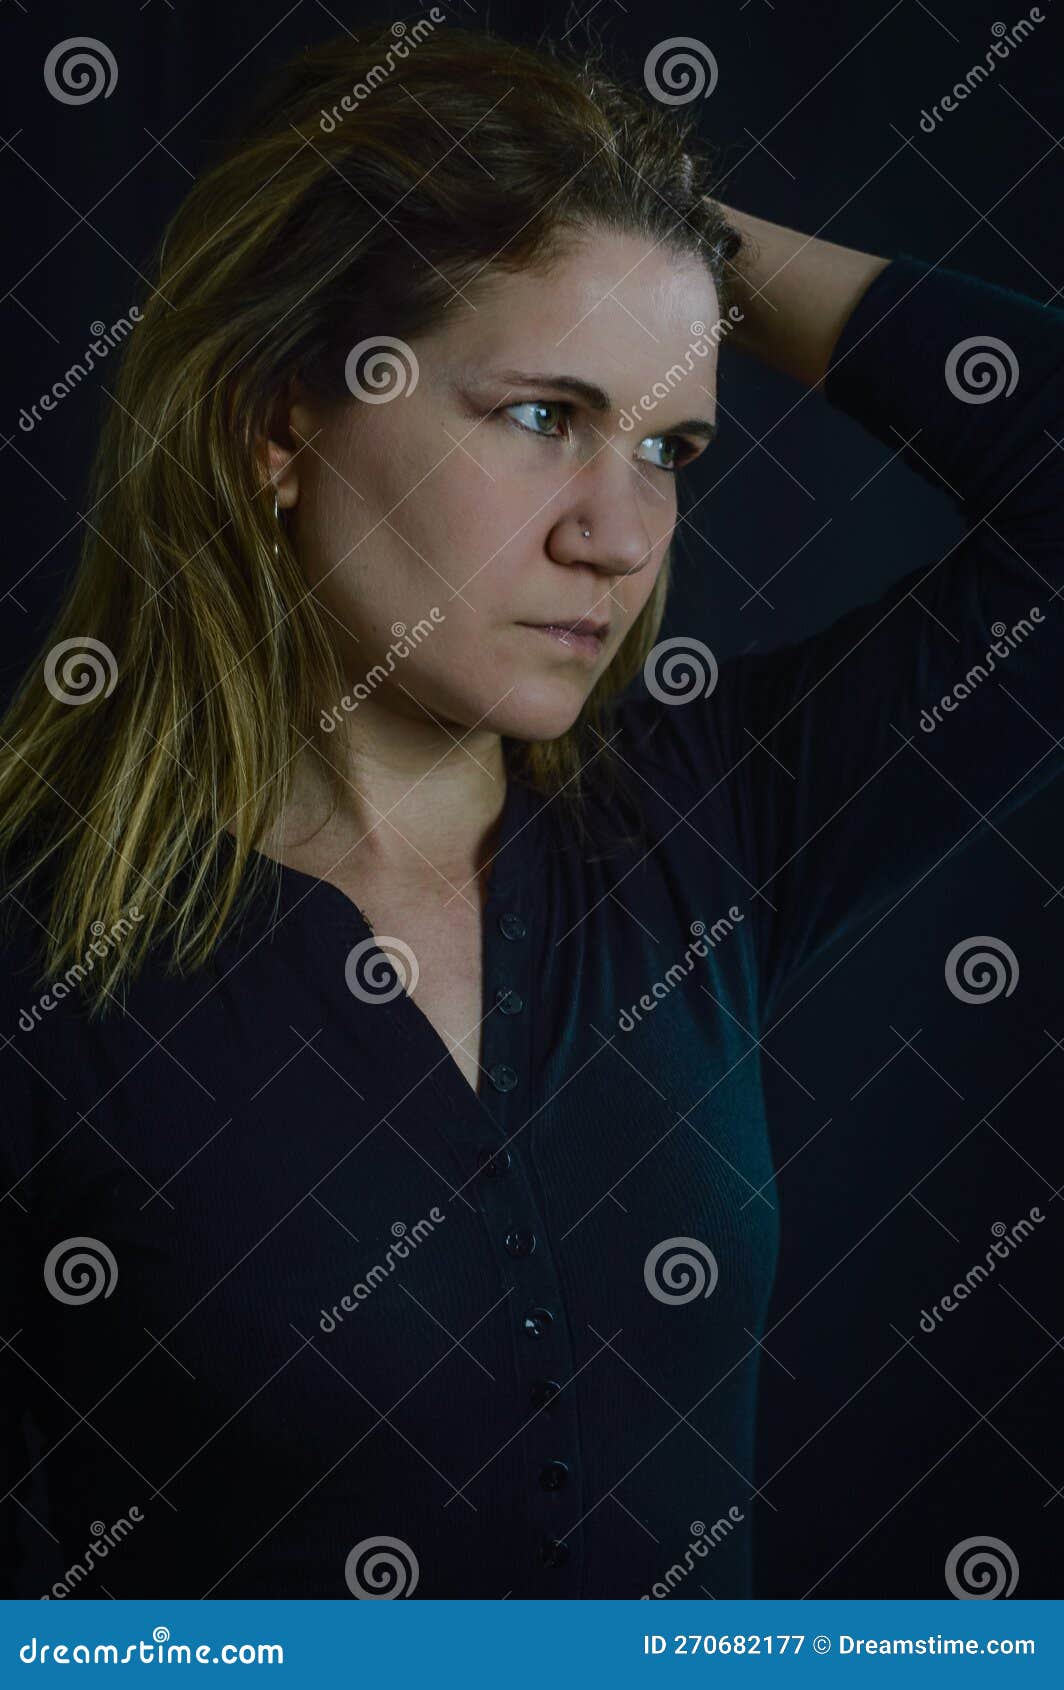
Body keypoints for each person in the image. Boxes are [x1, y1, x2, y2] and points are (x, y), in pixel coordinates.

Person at [0, 23, 1060, 1600]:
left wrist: (674, 241)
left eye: (668, 444)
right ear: (280, 429)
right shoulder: (50, 940)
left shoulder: (705, 822)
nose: (623, 536)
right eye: (542, 416)